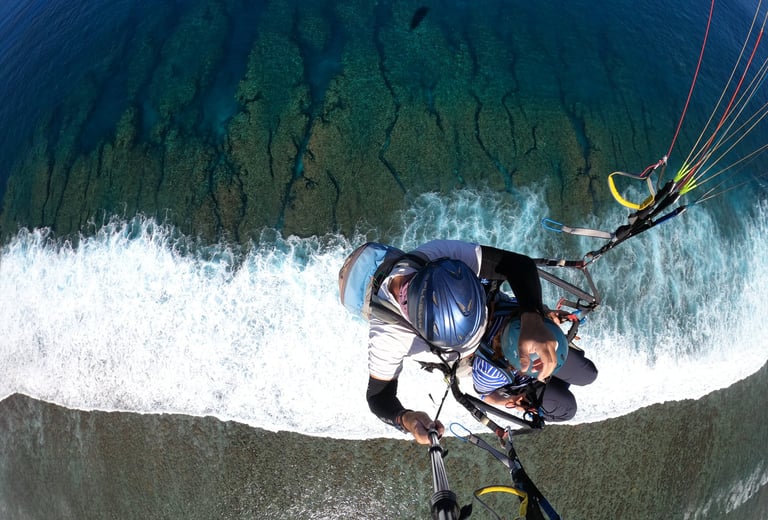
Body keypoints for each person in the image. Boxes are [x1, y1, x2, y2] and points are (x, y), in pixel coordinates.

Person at [359, 239, 560, 444]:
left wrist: (532, 318)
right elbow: (378, 398)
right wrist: (406, 419)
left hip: (490, 315)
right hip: (463, 361)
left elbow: (518, 265)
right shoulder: (388, 336)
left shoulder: (439, 255)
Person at [471, 298, 598, 422]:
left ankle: (557, 384)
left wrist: (547, 314)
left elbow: (535, 307)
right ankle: (546, 398)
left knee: (589, 374)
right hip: (527, 388)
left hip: (541, 343)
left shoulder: (523, 309)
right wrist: (513, 401)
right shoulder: (489, 372)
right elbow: (485, 395)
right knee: (568, 410)